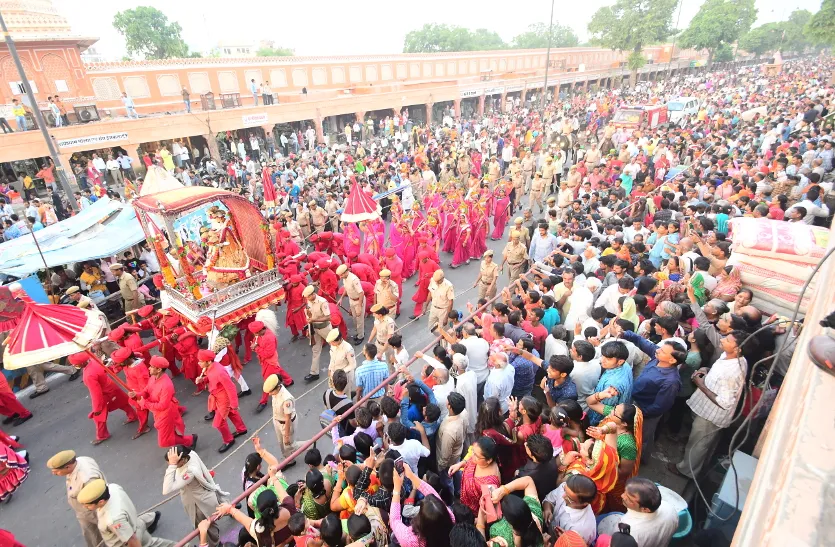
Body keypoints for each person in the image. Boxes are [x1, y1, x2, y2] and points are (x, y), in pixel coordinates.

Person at [162, 445, 227, 547]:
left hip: (198, 504)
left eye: (172, 461)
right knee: (218, 510)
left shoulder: (189, 472)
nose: (169, 463)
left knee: (207, 527)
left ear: (182, 460)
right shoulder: (192, 454)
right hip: (206, 495)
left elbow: (166, 489)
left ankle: (217, 544)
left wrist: (172, 466)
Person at [68, 352, 137, 445]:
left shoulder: (88, 375)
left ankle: (102, 435)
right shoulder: (93, 360)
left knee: (98, 417)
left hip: (105, 393)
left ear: (82, 363)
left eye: (76, 365)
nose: (75, 366)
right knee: (122, 403)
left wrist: (97, 408)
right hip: (111, 386)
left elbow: (96, 393)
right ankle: (133, 416)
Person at [76, 479, 172, 547]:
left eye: (87, 505)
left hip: (127, 539)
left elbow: (132, 540)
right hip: (136, 524)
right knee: (154, 544)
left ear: (101, 502)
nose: (85, 507)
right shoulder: (112, 488)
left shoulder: (113, 519)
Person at [131, 356, 197, 449]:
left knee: (164, 441)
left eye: (151, 366)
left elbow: (163, 406)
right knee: (169, 434)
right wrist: (137, 395)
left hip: (166, 414)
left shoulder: (166, 385)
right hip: (158, 412)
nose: (149, 368)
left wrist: (144, 403)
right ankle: (188, 441)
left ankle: (189, 440)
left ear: (158, 369)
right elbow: (146, 391)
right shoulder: (153, 378)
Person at [46, 450, 105, 547]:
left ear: (67, 467)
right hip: (83, 512)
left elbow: (96, 499)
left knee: (109, 535)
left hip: (93, 511)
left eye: (56, 471)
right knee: (92, 536)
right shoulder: (79, 460)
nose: (54, 474)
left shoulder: (87, 478)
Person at [195, 349, 248, 453]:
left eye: (201, 361)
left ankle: (229, 440)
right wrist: (203, 380)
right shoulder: (209, 368)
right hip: (218, 396)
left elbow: (230, 387)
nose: (199, 363)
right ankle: (241, 429)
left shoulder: (219, 371)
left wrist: (234, 403)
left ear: (208, 361)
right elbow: (210, 379)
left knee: (219, 423)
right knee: (231, 413)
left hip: (223, 398)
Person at [617, 477, 679, 547]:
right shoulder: (670, 509)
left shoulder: (629, 529)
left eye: (629, 499)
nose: (622, 496)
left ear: (645, 509)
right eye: (625, 492)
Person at [250, 320, 294, 413]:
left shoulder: (269, 337)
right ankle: (289, 380)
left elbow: (268, 354)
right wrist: (255, 345)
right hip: (268, 360)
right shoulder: (261, 335)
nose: (255, 335)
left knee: (267, 381)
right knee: (278, 369)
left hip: (269, 360)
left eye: (255, 333)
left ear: (259, 331)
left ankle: (263, 401)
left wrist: (256, 348)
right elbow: (256, 342)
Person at [264, 374, 298, 465]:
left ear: (277, 388)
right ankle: (288, 459)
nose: (270, 394)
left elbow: (288, 418)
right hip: (277, 421)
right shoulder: (276, 390)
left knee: (289, 445)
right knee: (281, 443)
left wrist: (286, 436)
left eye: (271, 392)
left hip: (286, 423)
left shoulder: (286, 399)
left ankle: (309, 445)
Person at [304, 284, 334, 382]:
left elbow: (328, 317)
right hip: (314, 328)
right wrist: (309, 327)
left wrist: (314, 319)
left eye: (309, 296)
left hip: (325, 327)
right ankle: (314, 373)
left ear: (313, 294)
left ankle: (338, 366)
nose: (308, 298)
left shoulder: (322, 302)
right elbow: (309, 316)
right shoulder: (308, 301)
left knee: (334, 347)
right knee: (315, 350)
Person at [337, 263, 366, 344]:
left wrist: (360, 306)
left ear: (346, 272)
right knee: (354, 318)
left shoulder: (354, 279)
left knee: (359, 319)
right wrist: (341, 298)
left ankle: (361, 336)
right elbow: (346, 288)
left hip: (358, 300)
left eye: (341, 275)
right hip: (352, 299)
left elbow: (361, 293)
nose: (340, 277)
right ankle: (359, 332)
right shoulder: (345, 278)